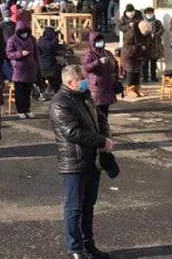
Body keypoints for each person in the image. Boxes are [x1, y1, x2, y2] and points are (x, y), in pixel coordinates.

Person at [49, 64, 113, 259]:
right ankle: (75, 249)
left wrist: (105, 136)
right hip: (74, 163)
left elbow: (101, 119)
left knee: (88, 205)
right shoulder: (59, 103)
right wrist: (101, 141)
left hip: (92, 160)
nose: (85, 82)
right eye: (81, 80)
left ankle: (88, 244)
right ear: (70, 82)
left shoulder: (85, 96)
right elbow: (72, 132)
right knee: (74, 208)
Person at [5, 21, 39, 119]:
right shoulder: (12, 40)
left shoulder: (31, 39)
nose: (25, 34)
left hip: (30, 69)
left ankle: (27, 110)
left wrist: (37, 66)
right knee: (20, 92)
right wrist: (20, 53)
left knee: (28, 92)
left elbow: (36, 53)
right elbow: (9, 54)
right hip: (18, 71)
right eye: (22, 32)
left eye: (26, 32)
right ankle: (20, 111)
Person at [82, 32, 118, 118]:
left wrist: (111, 64)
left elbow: (112, 67)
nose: (101, 42)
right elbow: (87, 67)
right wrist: (98, 62)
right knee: (97, 110)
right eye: (98, 41)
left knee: (105, 110)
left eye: (101, 40)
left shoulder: (106, 53)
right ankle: (98, 125)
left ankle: (104, 124)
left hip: (106, 84)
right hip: (96, 86)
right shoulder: (89, 54)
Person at [121, 20, 151, 97]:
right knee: (131, 71)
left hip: (138, 55)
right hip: (129, 55)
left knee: (137, 72)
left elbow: (148, 43)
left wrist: (145, 52)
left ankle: (137, 89)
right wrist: (139, 47)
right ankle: (130, 90)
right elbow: (127, 46)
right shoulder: (130, 33)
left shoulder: (147, 33)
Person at [37, 27, 62, 98]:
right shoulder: (51, 43)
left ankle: (44, 89)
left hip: (40, 67)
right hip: (50, 67)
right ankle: (56, 90)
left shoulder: (40, 41)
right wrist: (56, 36)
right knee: (59, 73)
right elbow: (55, 43)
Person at [142, 7, 164, 82]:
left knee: (153, 62)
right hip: (146, 44)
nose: (149, 15)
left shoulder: (157, 22)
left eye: (150, 13)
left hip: (155, 45)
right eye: (148, 13)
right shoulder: (143, 22)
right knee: (145, 63)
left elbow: (162, 30)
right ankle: (145, 78)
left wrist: (156, 34)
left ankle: (153, 77)